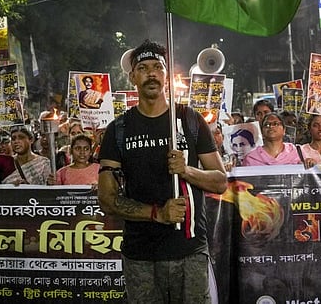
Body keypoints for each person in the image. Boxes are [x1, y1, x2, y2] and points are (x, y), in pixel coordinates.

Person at [97, 40, 226, 303]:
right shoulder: (118, 129)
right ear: (132, 76)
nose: (152, 73)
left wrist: (187, 170)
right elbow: (107, 200)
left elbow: (220, 181)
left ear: (167, 74)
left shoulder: (190, 120)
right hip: (140, 255)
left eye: (158, 66)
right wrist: (158, 213)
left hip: (189, 251)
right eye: (143, 68)